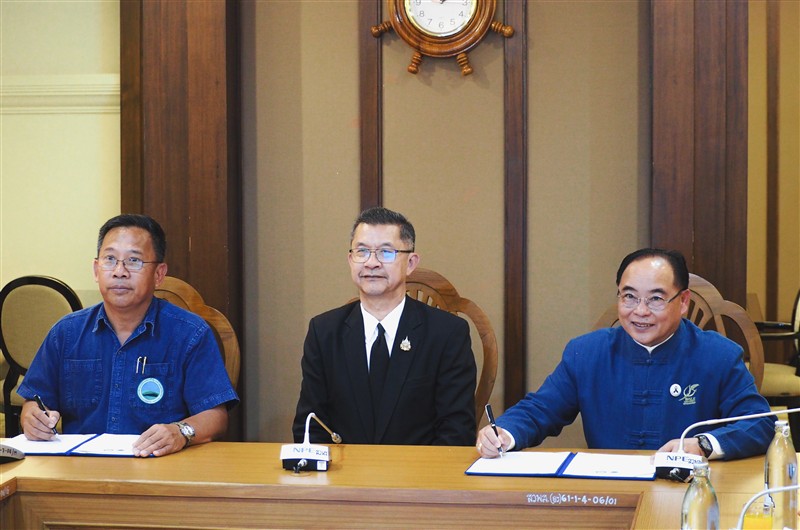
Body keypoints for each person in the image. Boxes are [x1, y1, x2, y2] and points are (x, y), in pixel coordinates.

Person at [476, 248, 774, 461]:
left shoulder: (718, 355)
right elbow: (540, 409)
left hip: (689, 492)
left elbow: (760, 424)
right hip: (609, 494)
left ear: (683, 302)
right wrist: (505, 433)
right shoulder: (586, 352)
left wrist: (703, 445)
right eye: (629, 296)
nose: (640, 311)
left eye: (655, 299)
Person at [18, 214, 239, 457]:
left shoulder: (190, 333)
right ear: (96, 269)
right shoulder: (66, 333)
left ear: (159, 274)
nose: (119, 271)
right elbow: (34, 401)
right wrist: (32, 418)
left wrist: (180, 431)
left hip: (159, 466)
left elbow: (215, 416)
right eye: (110, 259)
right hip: (81, 469)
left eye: (134, 261)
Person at [293, 206, 476, 445]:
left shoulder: (447, 334)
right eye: (362, 252)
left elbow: (457, 431)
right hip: (344, 467)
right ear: (350, 260)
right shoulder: (324, 332)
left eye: (386, 252)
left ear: (411, 263)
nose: (372, 263)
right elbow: (310, 426)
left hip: (419, 467)